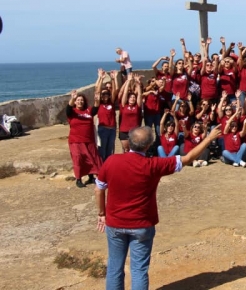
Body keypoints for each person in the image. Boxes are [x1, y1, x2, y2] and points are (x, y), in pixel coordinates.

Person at [95, 125, 221, 290]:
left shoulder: (111, 161)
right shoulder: (153, 164)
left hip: (115, 223)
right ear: (148, 146)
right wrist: (209, 139)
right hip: (142, 224)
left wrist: (101, 213)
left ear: (129, 142)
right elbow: (188, 157)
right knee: (139, 269)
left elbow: (99, 189)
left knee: (114, 267)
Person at [67, 90, 103, 188]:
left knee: (92, 158)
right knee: (78, 159)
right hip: (76, 141)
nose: (80, 102)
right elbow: (68, 108)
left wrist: (97, 100)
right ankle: (78, 179)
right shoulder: (72, 112)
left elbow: (96, 108)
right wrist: (73, 98)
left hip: (89, 140)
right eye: (78, 100)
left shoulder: (88, 111)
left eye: (81, 100)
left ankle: (91, 177)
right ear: (75, 102)